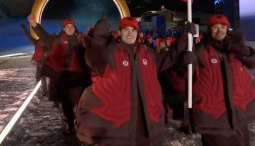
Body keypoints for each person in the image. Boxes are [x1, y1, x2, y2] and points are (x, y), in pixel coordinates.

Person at [75, 16, 195, 146]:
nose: (130, 34)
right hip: (122, 124)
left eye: (133, 30)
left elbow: (169, 58)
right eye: (126, 30)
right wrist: (98, 38)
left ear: (137, 33)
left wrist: (184, 38)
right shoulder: (110, 53)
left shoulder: (147, 53)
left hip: (146, 121)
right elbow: (94, 58)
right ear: (120, 33)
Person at [185, 14, 255, 146]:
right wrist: (185, 62)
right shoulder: (200, 51)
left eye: (223, 27)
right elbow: (185, 75)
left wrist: (246, 51)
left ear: (227, 28)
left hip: (238, 113)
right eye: (215, 27)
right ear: (209, 29)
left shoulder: (235, 48)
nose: (219, 31)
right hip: (214, 117)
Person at [28, 15, 90, 135]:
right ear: (64, 28)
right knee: (66, 102)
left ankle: (77, 122)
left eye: (72, 26)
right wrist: (35, 25)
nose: (70, 29)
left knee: (79, 101)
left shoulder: (80, 39)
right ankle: (70, 122)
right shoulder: (57, 39)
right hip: (64, 77)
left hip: (79, 76)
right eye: (68, 27)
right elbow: (44, 37)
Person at [20, 23, 48, 96]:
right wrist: (25, 30)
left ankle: (45, 91)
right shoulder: (37, 42)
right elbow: (29, 37)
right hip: (39, 62)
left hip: (44, 62)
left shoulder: (47, 43)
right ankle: (44, 90)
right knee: (39, 76)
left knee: (42, 75)